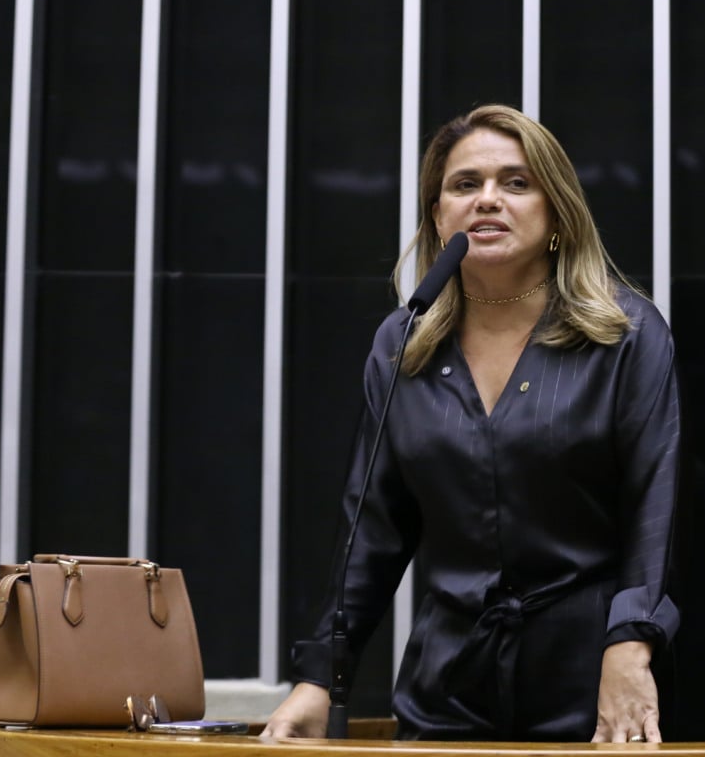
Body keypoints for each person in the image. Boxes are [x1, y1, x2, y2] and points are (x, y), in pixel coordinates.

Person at [262, 104, 680, 743]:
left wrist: (630, 643)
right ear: (438, 215)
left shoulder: (625, 334)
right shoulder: (403, 344)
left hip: (590, 679)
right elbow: (371, 528)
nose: (488, 199)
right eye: (465, 185)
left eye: (516, 182)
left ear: (556, 214)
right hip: (447, 683)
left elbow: (655, 502)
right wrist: (322, 677)